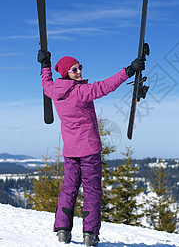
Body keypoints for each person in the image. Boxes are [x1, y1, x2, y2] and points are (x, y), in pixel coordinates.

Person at [37, 49, 144, 246]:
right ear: (67, 74)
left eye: (80, 67)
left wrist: (45, 66)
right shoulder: (81, 92)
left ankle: (62, 231)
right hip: (89, 151)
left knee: (68, 189)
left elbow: (46, 83)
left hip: (70, 152)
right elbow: (105, 86)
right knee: (92, 191)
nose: (79, 72)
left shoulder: (54, 91)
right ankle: (90, 235)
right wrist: (129, 70)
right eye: (74, 70)